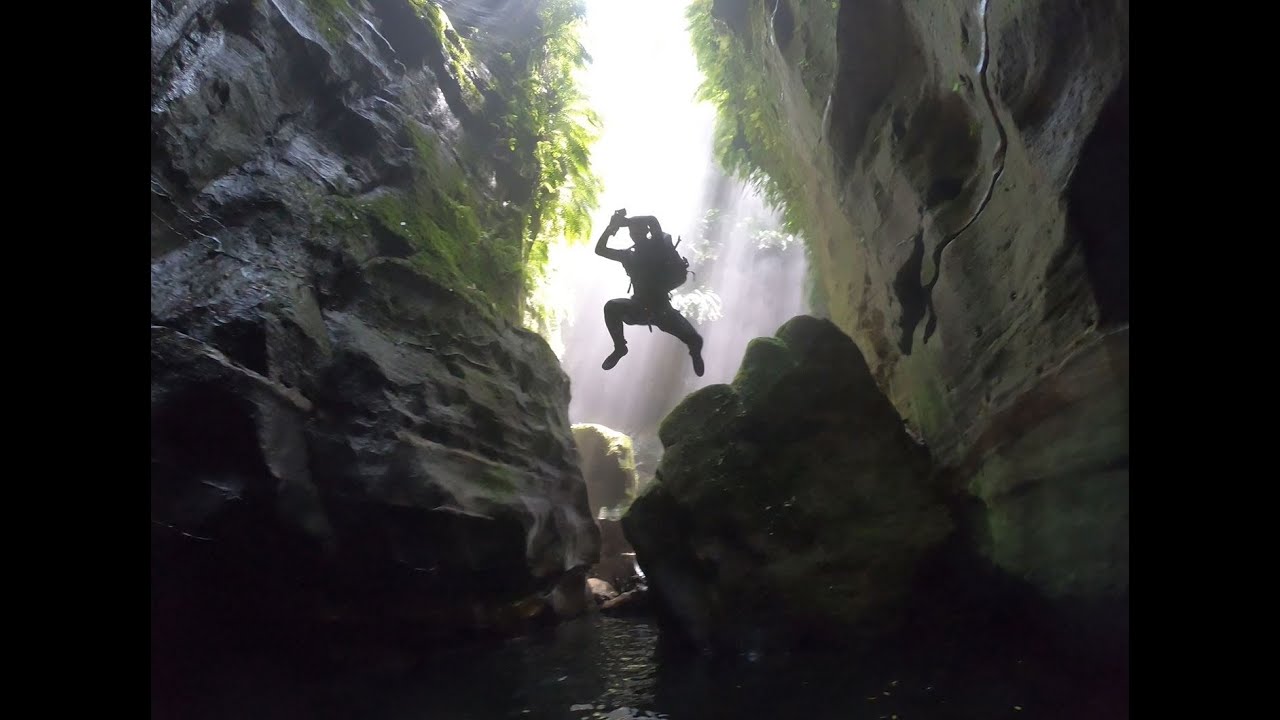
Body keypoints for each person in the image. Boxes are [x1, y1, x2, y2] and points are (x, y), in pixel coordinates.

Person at [594, 209, 704, 376]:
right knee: (612, 307)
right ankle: (620, 347)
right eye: (633, 231)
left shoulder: (657, 246)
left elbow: (653, 220)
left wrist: (626, 222)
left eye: (638, 229)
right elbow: (600, 250)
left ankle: (695, 353)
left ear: (646, 232)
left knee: (695, 340)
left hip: (663, 311)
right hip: (638, 308)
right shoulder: (628, 255)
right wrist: (611, 227)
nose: (635, 233)